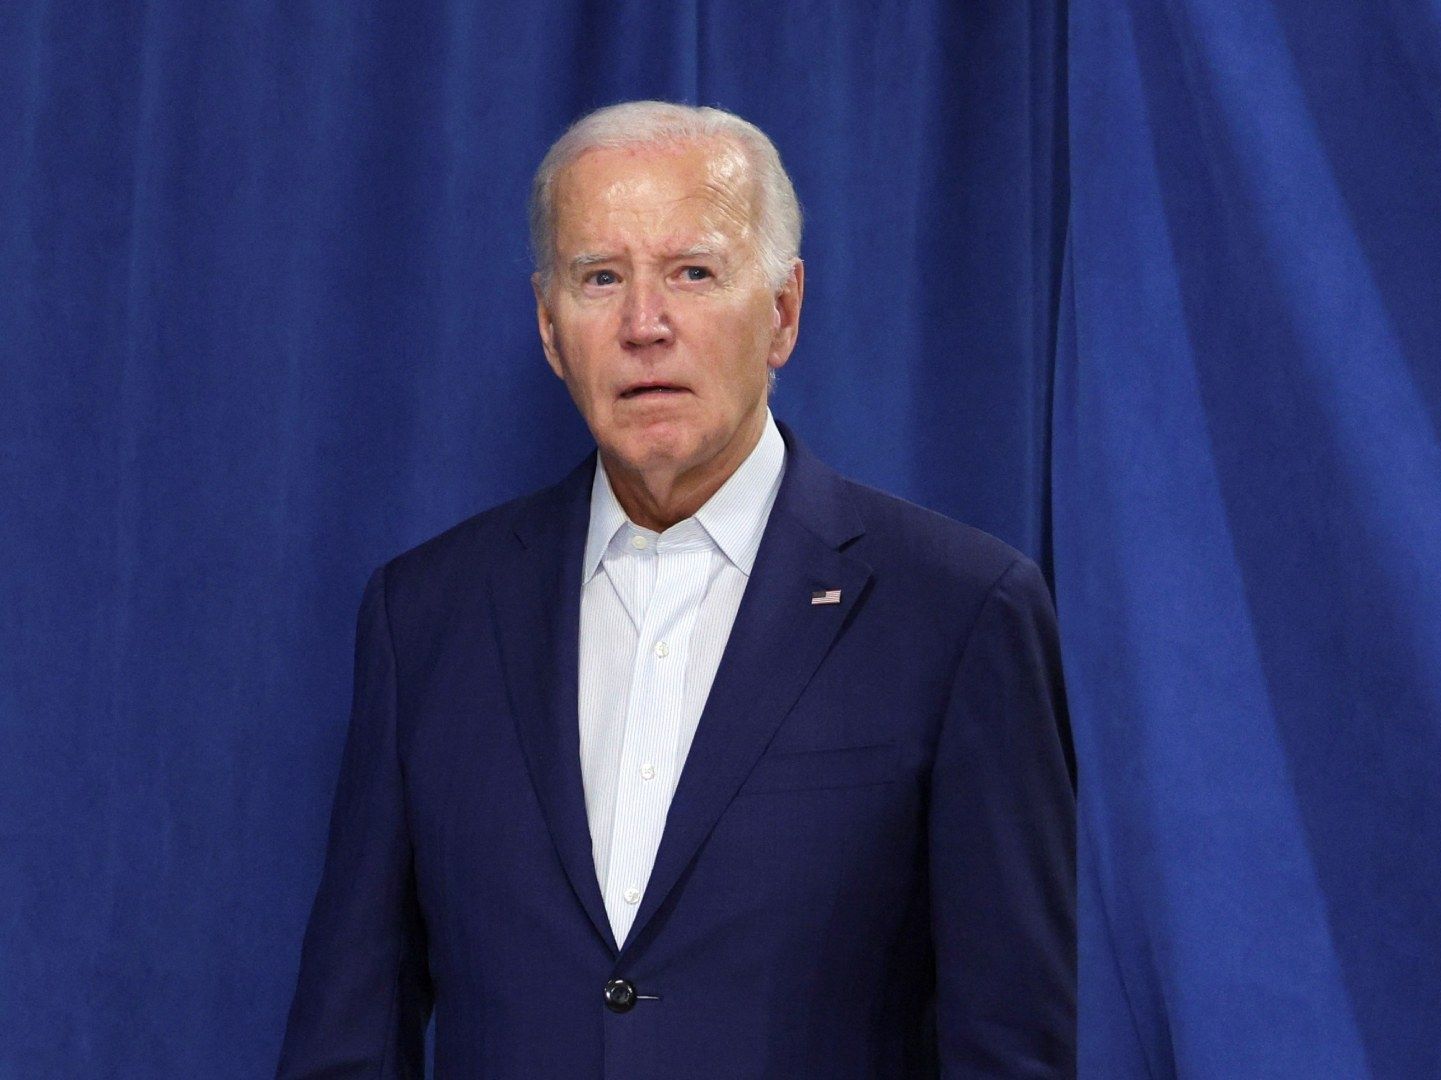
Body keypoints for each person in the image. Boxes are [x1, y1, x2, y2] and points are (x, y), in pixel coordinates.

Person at [275, 100, 1075, 1079]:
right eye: (600, 277)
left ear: (782, 311)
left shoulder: (959, 611)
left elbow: (1012, 1042)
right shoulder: (425, 615)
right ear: (548, 325)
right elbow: (351, 1032)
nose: (644, 324)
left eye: (693, 273)